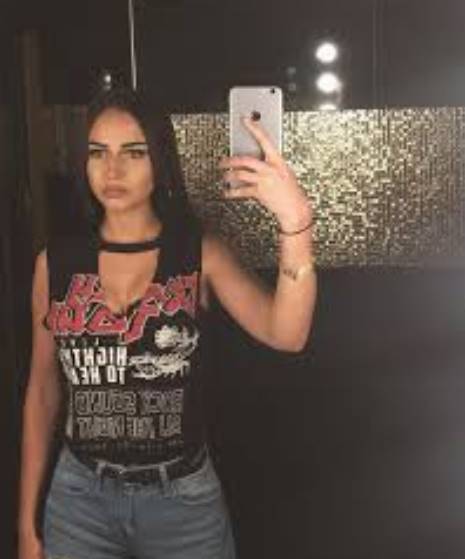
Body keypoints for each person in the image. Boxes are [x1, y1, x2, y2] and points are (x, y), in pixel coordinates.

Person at [18, 87, 317, 559]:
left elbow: (287, 333)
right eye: (98, 152)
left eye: (134, 152)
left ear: (160, 161)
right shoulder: (54, 263)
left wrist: (296, 221)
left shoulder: (199, 254)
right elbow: (42, 391)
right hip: (78, 500)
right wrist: (26, 522)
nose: (112, 169)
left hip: (181, 502)